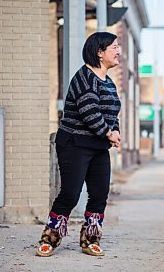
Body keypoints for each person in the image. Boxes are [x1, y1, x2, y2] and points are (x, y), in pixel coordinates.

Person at [36, 32, 121, 257]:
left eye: (118, 46)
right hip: (74, 143)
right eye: (114, 47)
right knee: (70, 194)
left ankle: (90, 240)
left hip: (98, 147)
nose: (118, 51)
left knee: (100, 194)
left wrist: (116, 131)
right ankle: (50, 239)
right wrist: (108, 133)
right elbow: (90, 113)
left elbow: (111, 112)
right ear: (99, 53)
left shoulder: (108, 82)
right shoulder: (84, 77)